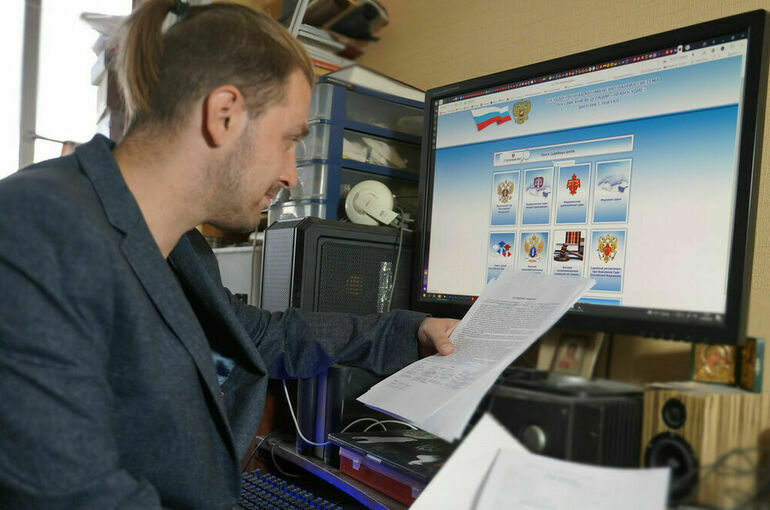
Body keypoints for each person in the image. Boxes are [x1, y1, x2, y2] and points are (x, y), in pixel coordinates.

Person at [0, 2, 458, 509]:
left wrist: (406, 331)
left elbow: (263, 336)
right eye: (288, 140)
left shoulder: (180, 246)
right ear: (223, 115)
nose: (292, 175)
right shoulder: (34, 231)